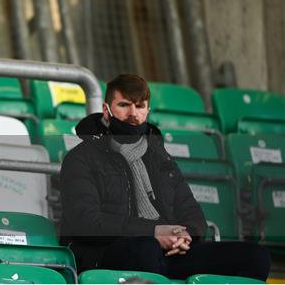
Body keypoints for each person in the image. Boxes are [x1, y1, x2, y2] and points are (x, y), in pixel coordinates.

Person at [59, 74, 270, 281]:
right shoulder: (81, 158)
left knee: (256, 257)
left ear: (147, 111)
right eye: (124, 105)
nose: (133, 114)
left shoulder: (160, 157)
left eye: (140, 106)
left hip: (167, 254)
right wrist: (154, 232)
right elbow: (86, 222)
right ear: (106, 111)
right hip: (105, 253)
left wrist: (185, 235)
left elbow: (192, 212)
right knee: (146, 248)